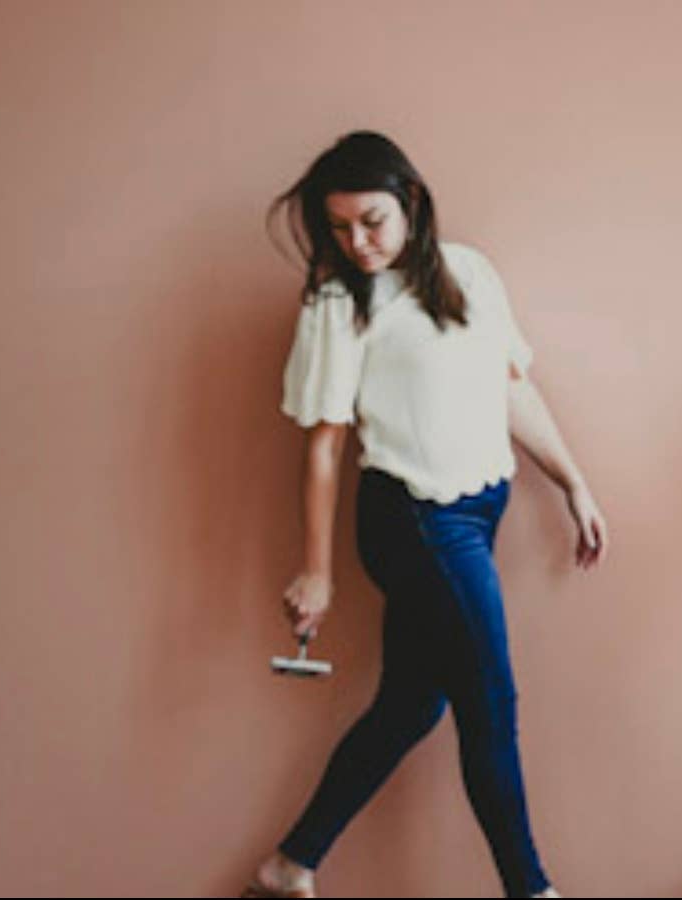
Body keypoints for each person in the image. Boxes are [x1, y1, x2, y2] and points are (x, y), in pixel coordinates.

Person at [243, 131, 608, 899]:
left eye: (372, 221)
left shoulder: (469, 271)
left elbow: (509, 387)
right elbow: (324, 447)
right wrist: (316, 571)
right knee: (490, 708)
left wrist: (573, 482)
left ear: (409, 200)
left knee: (409, 706)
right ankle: (532, 891)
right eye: (340, 228)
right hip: (413, 521)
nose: (358, 242)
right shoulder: (338, 302)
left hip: (480, 512)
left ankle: (289, 867)